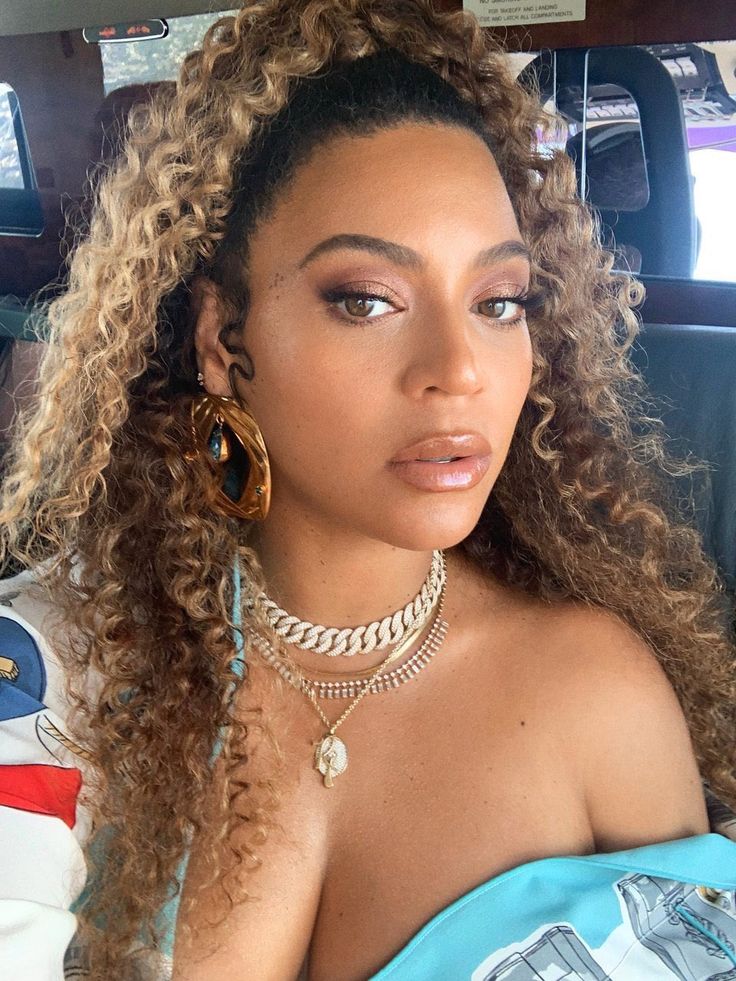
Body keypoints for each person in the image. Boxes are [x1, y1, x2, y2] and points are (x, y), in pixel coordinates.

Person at [0, 1, 735, 979]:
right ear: (224, 340)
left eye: (498, 302)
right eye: (366, 300)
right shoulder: (50, 678)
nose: (457, 369)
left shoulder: (598, 692)